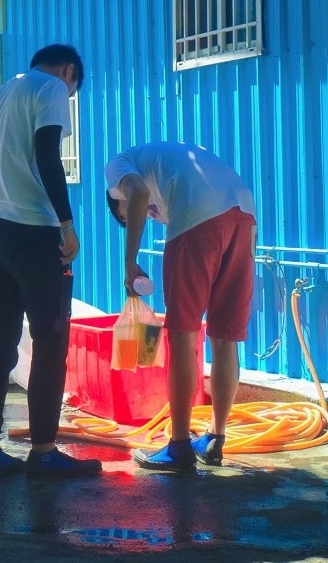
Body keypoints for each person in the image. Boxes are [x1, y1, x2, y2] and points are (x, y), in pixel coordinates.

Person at [0, 44, 102, 480]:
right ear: (69, 71)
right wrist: (67, 223)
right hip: (32, 230)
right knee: (50, 342)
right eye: (73, 86)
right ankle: (44, 452)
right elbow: (49, 154)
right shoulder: (51, 89)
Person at [104, 141, 257, 472]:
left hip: (199, 213)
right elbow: (150, 199)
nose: (142, 217)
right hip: (244, 213)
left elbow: (138, 195)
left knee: (183, 335)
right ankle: (215, 438)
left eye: (129, 214)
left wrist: (130, 262)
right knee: (224, 337)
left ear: (116, 197)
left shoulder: (117, 166)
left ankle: (179, 446)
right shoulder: (163, 166)